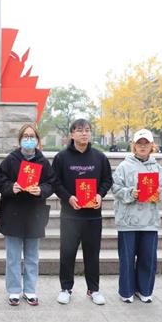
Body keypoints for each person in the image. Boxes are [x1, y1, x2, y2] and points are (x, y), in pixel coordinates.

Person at [52, 118, 113, 305]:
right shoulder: (62, 158)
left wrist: (100, 195)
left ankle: (93, 289)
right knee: (67, 253)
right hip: (70, 215)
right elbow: (55, 182)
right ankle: (66, 288)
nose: (84, 133)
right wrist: (68, 197)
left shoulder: (99, 157)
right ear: (72, 134)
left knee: (92, 254)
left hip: (92, 216)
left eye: (87, 130)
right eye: (79, 130)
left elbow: (107, 180)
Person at [0, 124, 55, 306]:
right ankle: (14, 290)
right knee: (13, 257)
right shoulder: (10, 160)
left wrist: (41, 190)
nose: (29, 139)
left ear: (37, 140)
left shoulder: (43, 162)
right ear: (20, 139)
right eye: (26, 136)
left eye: (32, 136)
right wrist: (11, 187)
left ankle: (30, 290)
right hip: (13, 213)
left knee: (32, 256)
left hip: (34, 214)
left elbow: (51, 183)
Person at [112, 129, 162, 303]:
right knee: (127, 259)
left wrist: (159, 192)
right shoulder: (124, 166)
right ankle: (126, 291)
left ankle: (144, 290)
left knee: (148, 258)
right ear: (134, 146)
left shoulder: (157, 168)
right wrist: (131, 193)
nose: (143, 147)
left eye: (146, 143)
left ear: (152, 146)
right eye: (139, 143)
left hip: (150, 221)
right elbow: (115, 188)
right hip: (127, 220)